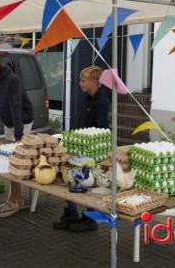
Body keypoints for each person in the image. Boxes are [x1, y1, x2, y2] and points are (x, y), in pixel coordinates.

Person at [53, 66, 110, 232]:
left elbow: (102, 130)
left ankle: (89, 218)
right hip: (80, 148)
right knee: (71, 180)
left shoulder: (101, 102)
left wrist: (94, 151)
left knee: (87, 183)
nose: (79, 83)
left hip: (91, 152)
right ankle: (70, 212)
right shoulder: (89, 97)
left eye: (83, 80)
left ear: (94, 82)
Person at [0, 55, 34, 217]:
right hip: (9, 122)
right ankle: (16, 199)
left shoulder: (12, 81)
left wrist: (18, 139)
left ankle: (14, 201)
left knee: (16, 162)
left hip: (23, 122)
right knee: (11, 162)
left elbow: (16, 109)